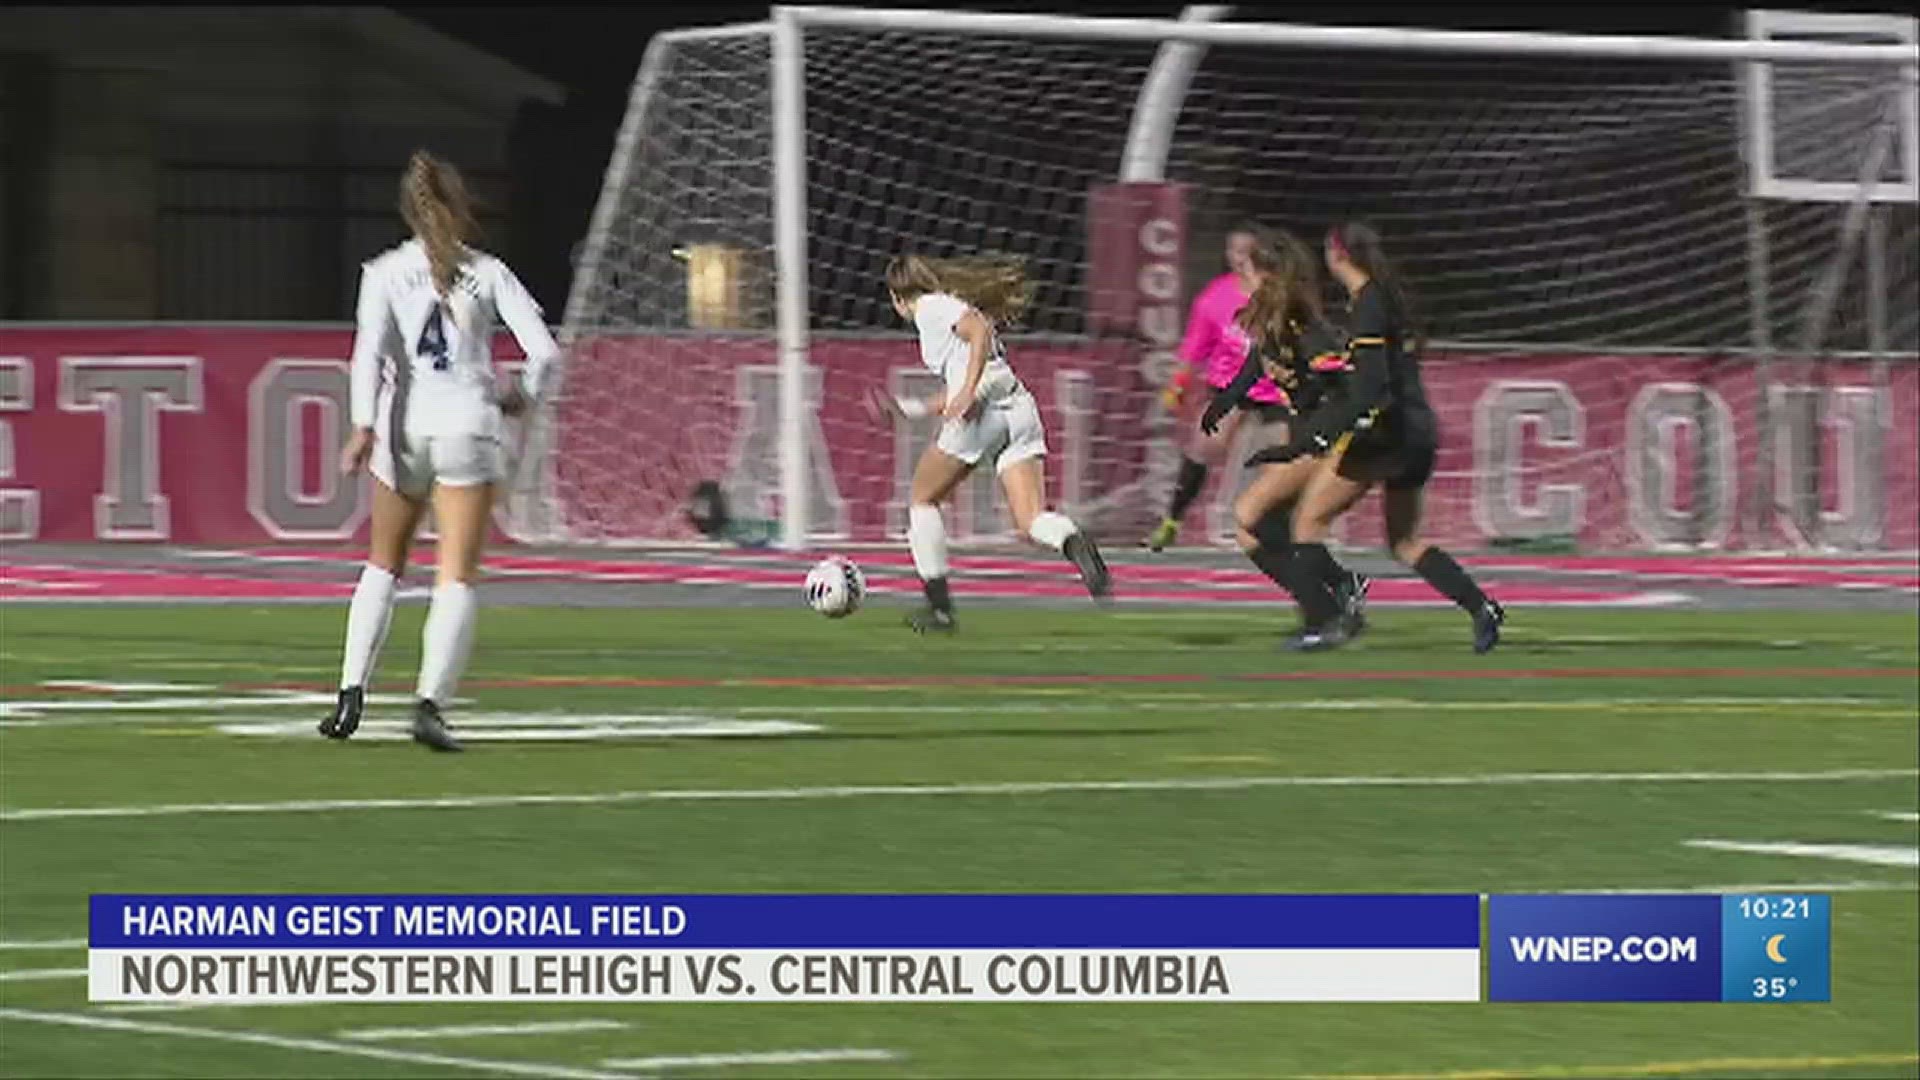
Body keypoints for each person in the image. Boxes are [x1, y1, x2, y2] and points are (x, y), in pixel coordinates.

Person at [318, 150, 560, 750]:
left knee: (383, 564)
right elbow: (548, 355)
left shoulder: (382, 273)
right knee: (455, 574)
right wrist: (521, 397)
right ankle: (430, 705)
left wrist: (363, 425)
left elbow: (367, 356)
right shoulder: (489, 272)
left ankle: (350, 693)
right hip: (468, 429)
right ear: (462, 208)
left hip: (404, 430)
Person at [1280, 221, 1504, 653]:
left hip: (1387, 432)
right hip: (1418, 430)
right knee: (1403, 541)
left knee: (1307, 522)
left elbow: (1372, 385)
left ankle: (1331, 615)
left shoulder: (1368, 303)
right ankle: (1481, 608)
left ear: (1337, 253)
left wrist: (1330, 427)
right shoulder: (1385, 300)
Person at [869, 254, 1111, 633]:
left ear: (897, 297)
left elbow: (979, 329)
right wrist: (909, 408)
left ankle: (940, 611)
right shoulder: (943, 311)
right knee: (1031, 520)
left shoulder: (930, 308)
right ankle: (1075, 542)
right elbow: (959, 389)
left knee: (922, 498)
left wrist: (966, 391)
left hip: (984, 414)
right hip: (1017, 405)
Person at [1197, 228, 1364, 633]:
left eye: (1249, 268)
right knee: (1256, 530)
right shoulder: (1275, 322)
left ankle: (1324, 615)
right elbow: (1257, 364)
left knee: (1249, 513)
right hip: (1308, 435)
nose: (1242, 275)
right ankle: (1337, 591)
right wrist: (1224, 403)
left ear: (1268, 275)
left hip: (1333, 440)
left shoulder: (1304, 326)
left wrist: (1321, 435)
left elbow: (1345, 387)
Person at [1145, 224, 1291, 552]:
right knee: (1204, 444)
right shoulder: (1214, 297)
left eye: (1247, 253)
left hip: (1274, 390)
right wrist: (1177, 386)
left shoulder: (1281, 295)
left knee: (1279, 459)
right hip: (1229, 387)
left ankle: (1274, 530)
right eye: (1234, 252)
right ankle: (1172, 521)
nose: (1240, 260)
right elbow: (1193, 348)